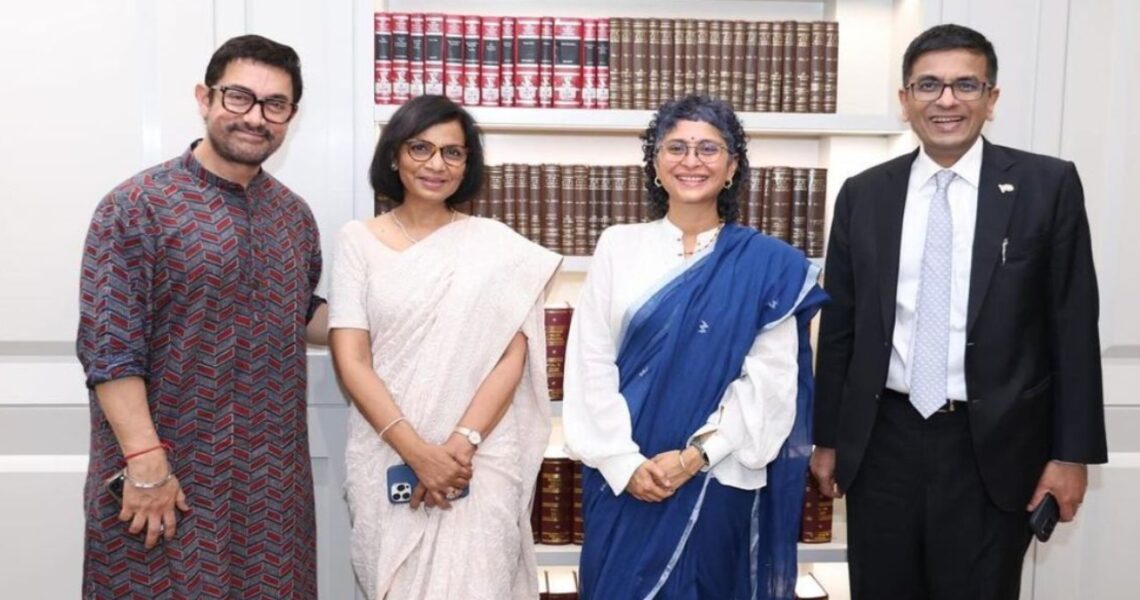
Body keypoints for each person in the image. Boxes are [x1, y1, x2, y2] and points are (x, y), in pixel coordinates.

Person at [811, 23, 1107, 600]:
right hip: (882, 443)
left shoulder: (1047, 186)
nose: (946, 101)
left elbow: (1073, 328)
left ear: (991, 99)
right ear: (905, 101)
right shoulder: (863, 194)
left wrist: (1071, 455)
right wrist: (826, 439)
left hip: (994, 450)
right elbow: (840, 329)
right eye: (928, 85)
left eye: (965, 85)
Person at [76, 35, 327, 598]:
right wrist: (145, 463)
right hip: (164, 484)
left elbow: (300, 310)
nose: (254, 117)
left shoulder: (294, 217)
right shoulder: (137, 206)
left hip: (270, 491)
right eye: (239, 97)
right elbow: (110, 350)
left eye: (274, 105)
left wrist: (386, 320)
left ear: (291, 116)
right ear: (205, 98)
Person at [562, 95, 827, 599]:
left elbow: (770, 382)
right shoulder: (619, 246)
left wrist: (696, 456)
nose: (691, 160)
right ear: (656, 163)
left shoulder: (769, 264)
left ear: (731, 167)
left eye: (708, 149)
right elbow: (589, 362)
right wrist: (624, 463)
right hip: (622, 480)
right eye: (676, 147)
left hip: (718, 479)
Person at [328, 94, 560, 600]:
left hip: (478, 459)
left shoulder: (496, 246)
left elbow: (510, 356)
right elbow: (351, 359)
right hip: (386, 453)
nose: (436, 164)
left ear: (467, 165)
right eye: (420, 148)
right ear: (393, 155)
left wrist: (459, 445)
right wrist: (416, 452)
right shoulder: (357, 241)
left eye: (453, 153)